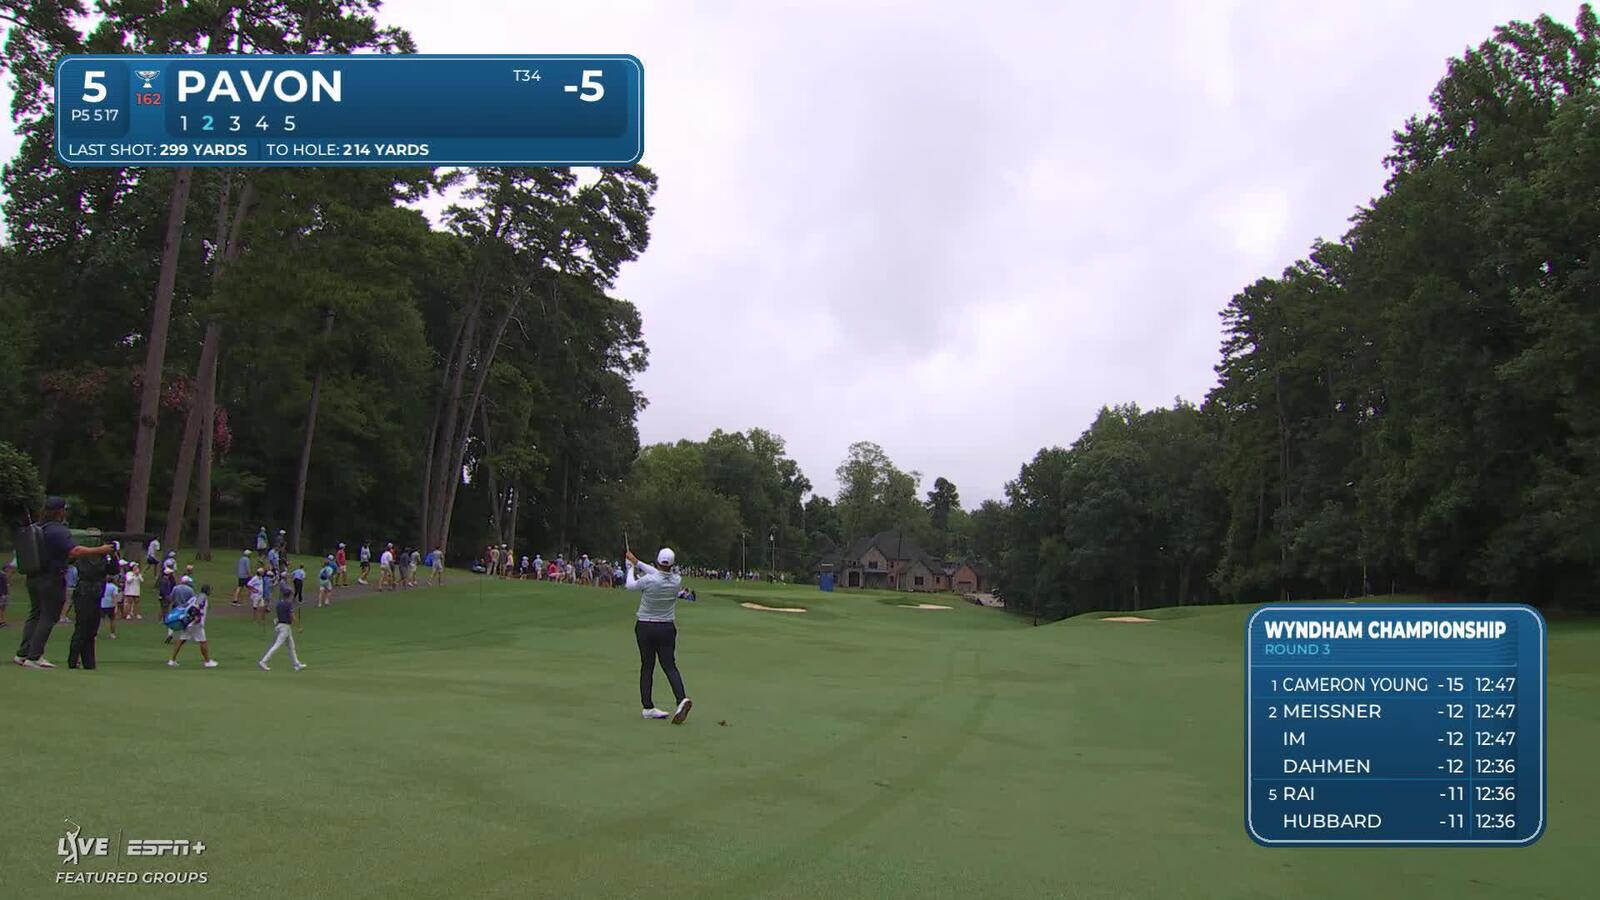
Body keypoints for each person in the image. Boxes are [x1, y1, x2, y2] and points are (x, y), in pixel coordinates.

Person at [13, 497, 114, 669]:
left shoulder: (38, 527)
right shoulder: (58, 530)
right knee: (48, 616)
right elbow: (75, 550)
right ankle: (34, 656)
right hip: (51, 578)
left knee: (35, 614)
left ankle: (23, 653)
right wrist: (99, 550)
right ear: (60, 511)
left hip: (34, 577)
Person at [623, 548, 695, 724]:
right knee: (670, 666)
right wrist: (637, 562)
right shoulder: (676, 580)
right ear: (672, 564)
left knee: (647, 666)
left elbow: (630, 586)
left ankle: (648, 707)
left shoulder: (649, 580)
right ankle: (681, 699)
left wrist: (630, 568)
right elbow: (658, 573)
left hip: (645, 626)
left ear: (657, 561)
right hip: (666, 628)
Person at [166, 579, 217, 668]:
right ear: (207, 590)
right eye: (210, 590)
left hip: (188, 622)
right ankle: (207, 662)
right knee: (203, 642)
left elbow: (185, 605)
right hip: (196, 623)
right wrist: (195, 617)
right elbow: (195, 607)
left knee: (181, 640)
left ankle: (172, 660)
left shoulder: (195, 597)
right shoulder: (202, 597)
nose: (211, 592)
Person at [258, 584, 306, 672]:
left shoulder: (279, 603)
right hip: (285, 627)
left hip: (281, 626)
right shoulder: (288, 604)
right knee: (277, 645)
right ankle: (263, 661)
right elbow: (292, 616)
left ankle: (296, 664)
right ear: (289, 595)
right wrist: (298, 627)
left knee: (291, 646)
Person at [0, 556, 12, 629]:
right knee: (1, 609)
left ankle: (2, 621)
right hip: (2, 595)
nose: (10, 569)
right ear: (5, 568)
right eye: (9, 568)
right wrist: (2, 594)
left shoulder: (5, 575)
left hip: (5, 594)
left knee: (3, 609)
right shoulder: (1, 575)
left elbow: (7, 585)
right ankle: (1, 623)